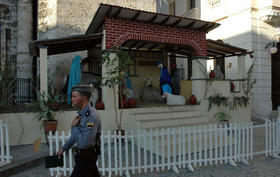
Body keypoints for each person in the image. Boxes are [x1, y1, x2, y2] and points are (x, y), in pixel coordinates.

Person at [57, 84, 101, 177]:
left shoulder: (91, 116)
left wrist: (74, 127)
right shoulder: (82, 114)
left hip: (87, 158)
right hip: (83, 157)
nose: (71, 99)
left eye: (74, 96)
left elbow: (85, 142)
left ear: (83, 98)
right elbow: (75, 136)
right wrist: (63, 148)